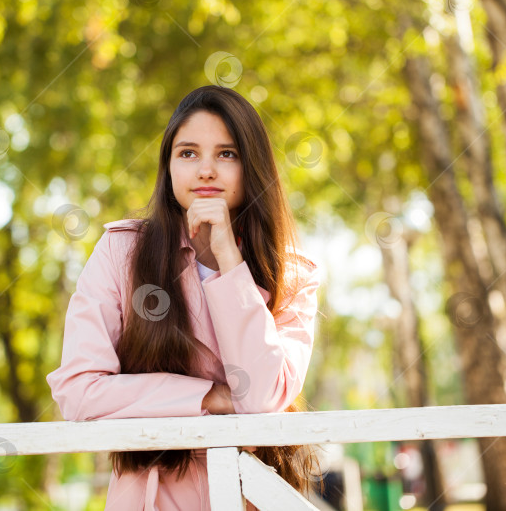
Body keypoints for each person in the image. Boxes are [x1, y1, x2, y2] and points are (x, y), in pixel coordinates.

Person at [46, 85, 324, 510]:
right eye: (188, 153)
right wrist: (208, 396)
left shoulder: (292, 275)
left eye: (227, 154)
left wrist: (231, 260)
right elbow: (79, 391)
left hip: (252, 492)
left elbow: (262, 398)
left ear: (253, 167)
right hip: (151, 495)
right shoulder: (123, 252)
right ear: (168, 167)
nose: (206, 170)